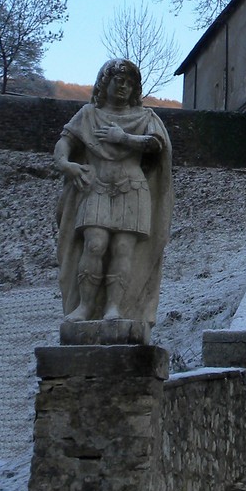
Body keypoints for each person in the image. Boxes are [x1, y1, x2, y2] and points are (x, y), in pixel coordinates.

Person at [54, 58, 173, 326]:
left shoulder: (145, 117)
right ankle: (85, 307)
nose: (124, 87)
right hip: (94, 185)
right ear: (104, 83)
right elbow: (65, 142)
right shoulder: (88, 115)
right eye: (119, 81)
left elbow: (156, 144)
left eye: (130, 83)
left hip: (132, 187)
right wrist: (67, 165)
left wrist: (125, 138)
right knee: (94, 244)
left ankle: (114, 308)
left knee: (122, 248)